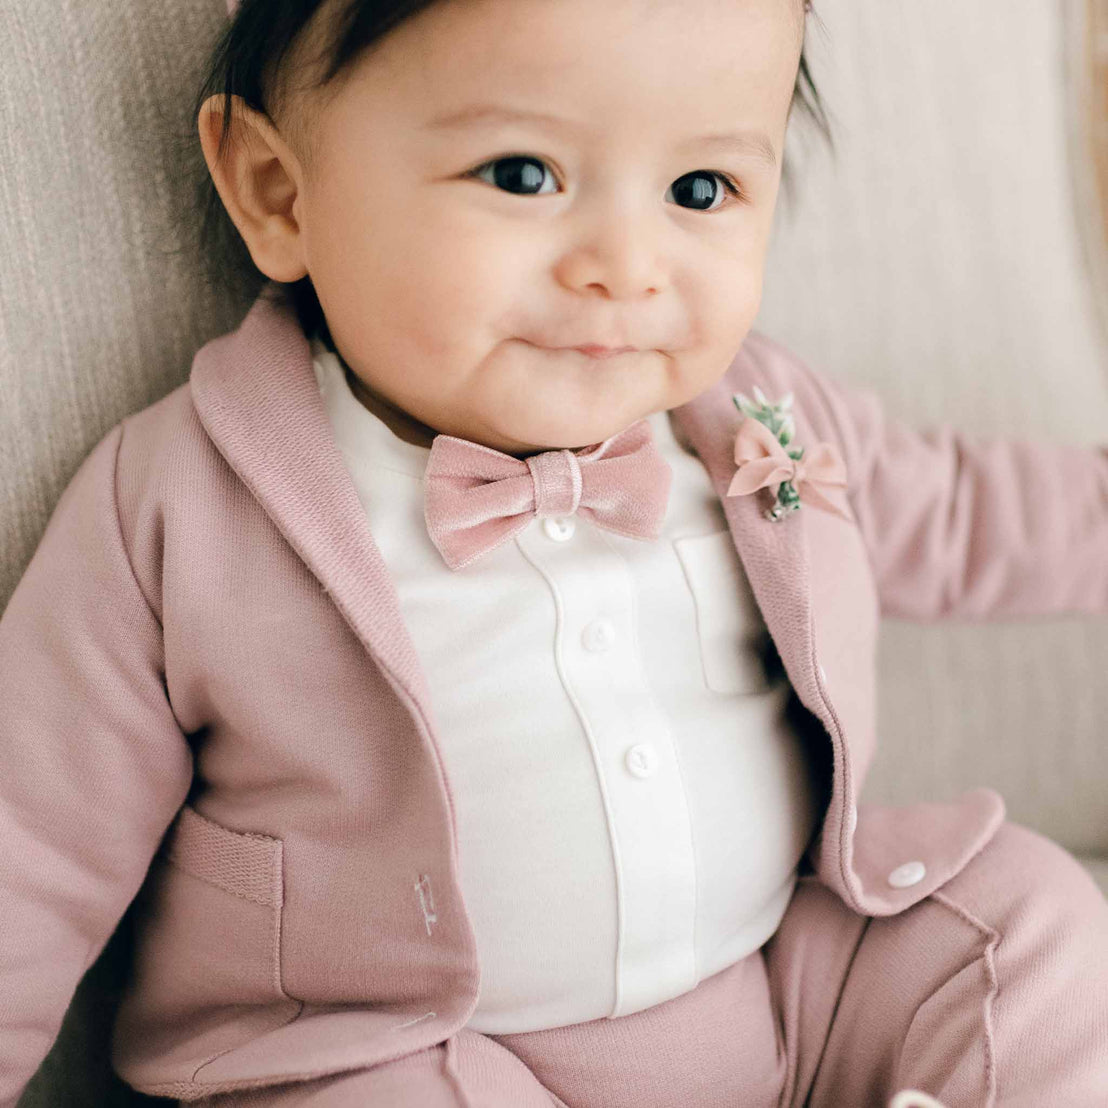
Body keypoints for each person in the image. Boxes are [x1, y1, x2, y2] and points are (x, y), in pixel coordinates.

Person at [2, 0, 1107, 1105]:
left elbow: (969, 512)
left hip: (781, 996)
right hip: (396, 1053)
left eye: (699, 191)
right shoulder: (184, 506)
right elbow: (31, 842)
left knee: (1028, 924)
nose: (626, 268)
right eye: (523, 175)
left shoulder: (757, 419)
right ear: (278, 193)